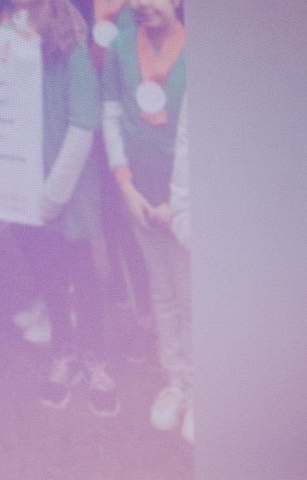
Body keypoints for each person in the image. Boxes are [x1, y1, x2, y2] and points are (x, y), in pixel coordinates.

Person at [1, 0, 117, 415]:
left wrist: (52, 197)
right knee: (50, 277)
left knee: (83, 276)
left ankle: (95, 359)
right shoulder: (8, 41)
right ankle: (64, 352)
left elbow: (82, 127)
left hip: (68, 191)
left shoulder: (73, 50)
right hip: (25, 187)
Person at [101, 0, 191, 440]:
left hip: (186, 204)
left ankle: (203, 388)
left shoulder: (201, 49)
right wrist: (126, 187)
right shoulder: (120, 46)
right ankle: (176, 382)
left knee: (192, 296)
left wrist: (181, 203)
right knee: (162, 293)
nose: (142, 5)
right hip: (139, 199)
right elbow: (112, 116)